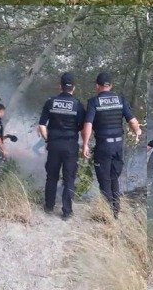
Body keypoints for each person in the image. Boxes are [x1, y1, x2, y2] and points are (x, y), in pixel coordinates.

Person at [81, 72, 142, 217]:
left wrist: (85, 144)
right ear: (111, 86)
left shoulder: (94, 102)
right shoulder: (120, 100)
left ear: (97, 86)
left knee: (104, 179)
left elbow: (88, 124)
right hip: (118, 146)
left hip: (104, 146)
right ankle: (116, 211)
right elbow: (133, 122)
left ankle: (108, 214)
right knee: (114, 177)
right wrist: (138, 132)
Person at [38, 73, 84, 219]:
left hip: (54, 145)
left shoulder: (50, 102)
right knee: (69, 178)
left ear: (60, 86)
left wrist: (47, 140)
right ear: (73, 88)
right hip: (70, 145)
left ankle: (49, 206)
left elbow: (41, 125)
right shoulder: (77, 104)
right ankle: (66, 212)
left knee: (51, 176)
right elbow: (83, 127)